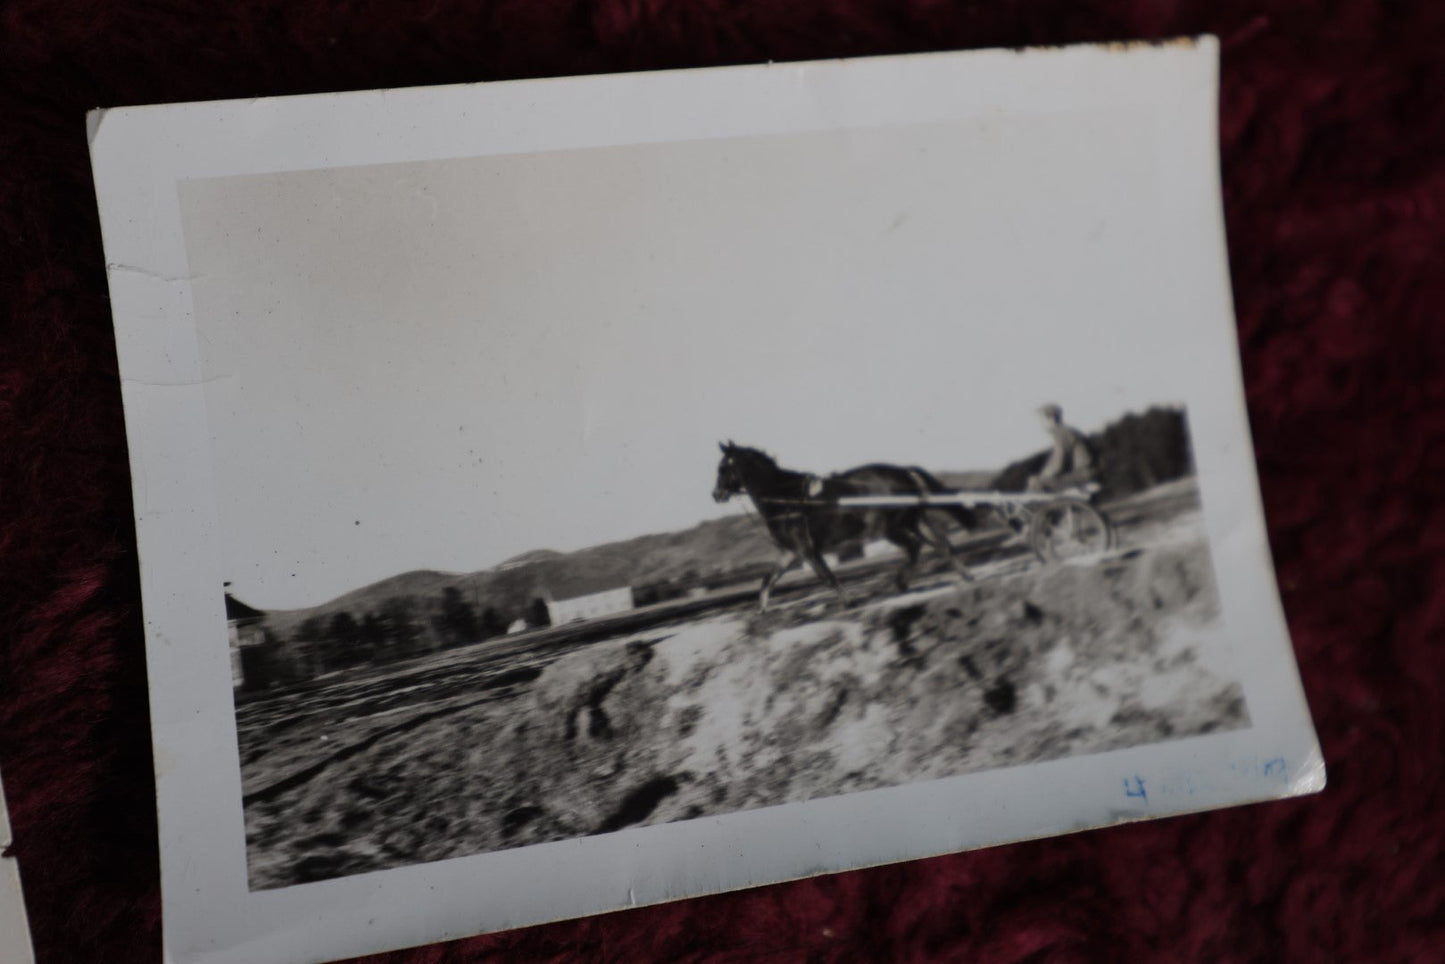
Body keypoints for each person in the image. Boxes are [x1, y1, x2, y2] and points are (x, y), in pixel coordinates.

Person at [1026, 403, 1097, 493]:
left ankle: (1036, 506)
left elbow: (1057, 462)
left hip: (1082, 475)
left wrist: (1041, 478)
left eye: (1042, 419)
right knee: (1037, 481)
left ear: (1051, 419)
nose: (1041, 424)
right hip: (1083, 473)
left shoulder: (1061, 432)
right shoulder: (1065, 430)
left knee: (1035, 483)